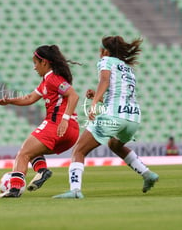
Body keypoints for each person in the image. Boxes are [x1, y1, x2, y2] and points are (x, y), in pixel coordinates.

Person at [53, 36, 159, 199]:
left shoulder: (106, 61)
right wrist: (97, 96)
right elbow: (119, 93)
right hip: (133, 117)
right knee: (115, 145)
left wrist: (94, 102)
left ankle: (75, 191)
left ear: (105, 50)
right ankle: (147, 174)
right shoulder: (127, 69)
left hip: (114, 116)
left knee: (79, 150)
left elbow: (104, 80)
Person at [0, 45, 81, 198]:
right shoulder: (46, 81)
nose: (34, 67)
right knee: (32, 151)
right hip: (71, 133)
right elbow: (29, 98)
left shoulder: (53, 78)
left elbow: (73, 95)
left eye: (35, 63)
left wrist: (64, 120)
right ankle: (42, 171)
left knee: (23, 154)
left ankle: (14, 189)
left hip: (58, 125)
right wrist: (10, 101)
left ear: (44, 63)